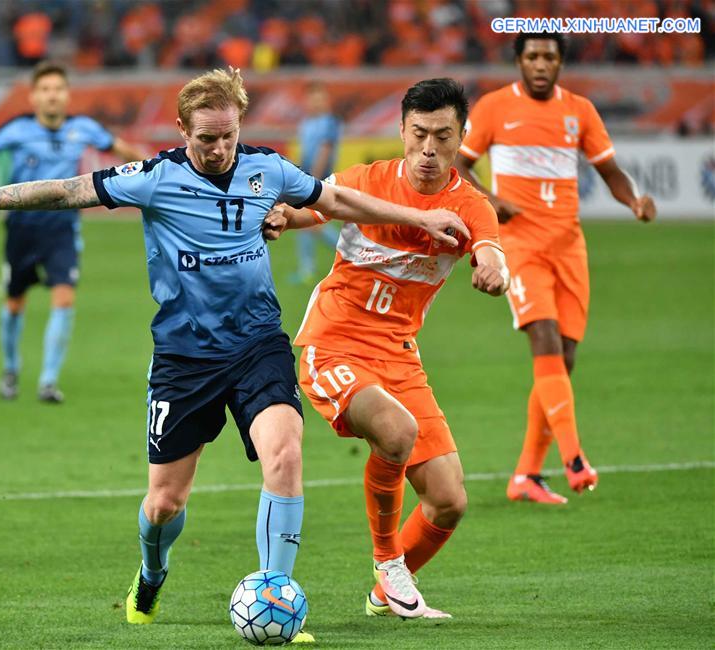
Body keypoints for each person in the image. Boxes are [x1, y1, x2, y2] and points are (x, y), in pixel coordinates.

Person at [0, 67, 469, 643]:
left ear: (239, 125)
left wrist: (420, 217)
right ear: (181, 130)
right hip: (184, 357)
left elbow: (340, 199)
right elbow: (64, 191)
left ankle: (275, 593)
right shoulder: (154, 177)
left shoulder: (266, 168)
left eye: (228, 136)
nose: (219, 149)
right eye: (205, 139)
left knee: (286, 454)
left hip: (257, 346)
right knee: (165, 504)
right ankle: (151, 571)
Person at [275, 78, 508, 619]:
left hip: (399, 356)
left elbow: (491, 251)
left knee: (449, 501)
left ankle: (384, 594)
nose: (429, 149)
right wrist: (283, 216)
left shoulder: (471, 206)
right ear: (402, 130)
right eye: (419, 133)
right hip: (332, 345)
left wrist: (493, 271)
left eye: (442, 137)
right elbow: (311, 209)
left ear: (460, 138)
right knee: (397, 431)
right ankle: (389, 564)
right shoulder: (364, 182)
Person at [454, 33, 656, 504]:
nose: (541, 64)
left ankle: (525, 475)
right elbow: (459, 167)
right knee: (542, 339)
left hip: (569, 246)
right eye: (532, 57)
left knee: (562, 360)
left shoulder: (580, 111)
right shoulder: (494, 108)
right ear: (519, 62)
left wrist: (635, 201)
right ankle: (573, 457)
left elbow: (610, 171)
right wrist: (489, 199)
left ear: (561, 63)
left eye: (549, 57)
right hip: (520, 246)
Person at [0, 61, 146, 404]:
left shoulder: (84, 128)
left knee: (65, 297)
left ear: (67, 95)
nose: (52, 96)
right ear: (33, 97)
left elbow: (128, 153)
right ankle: (11, 370)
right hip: (22, 227)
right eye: (45, 90)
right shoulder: (17, 129)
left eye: (58, 89)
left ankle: (47, 381)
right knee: (15, 302)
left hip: (63, 227)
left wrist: (152, 179)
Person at [290, 82, 342, 284]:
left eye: (319, 98)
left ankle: (349, 251)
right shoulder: (306, 123)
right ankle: (306, 269)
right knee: (305, 222)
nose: (315, 102)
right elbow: (304, 153)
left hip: (321, 180)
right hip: (307, 178)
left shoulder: (329, 122)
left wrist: (315, 180)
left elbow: (325, 151)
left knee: (313, 224)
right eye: (312, 98)